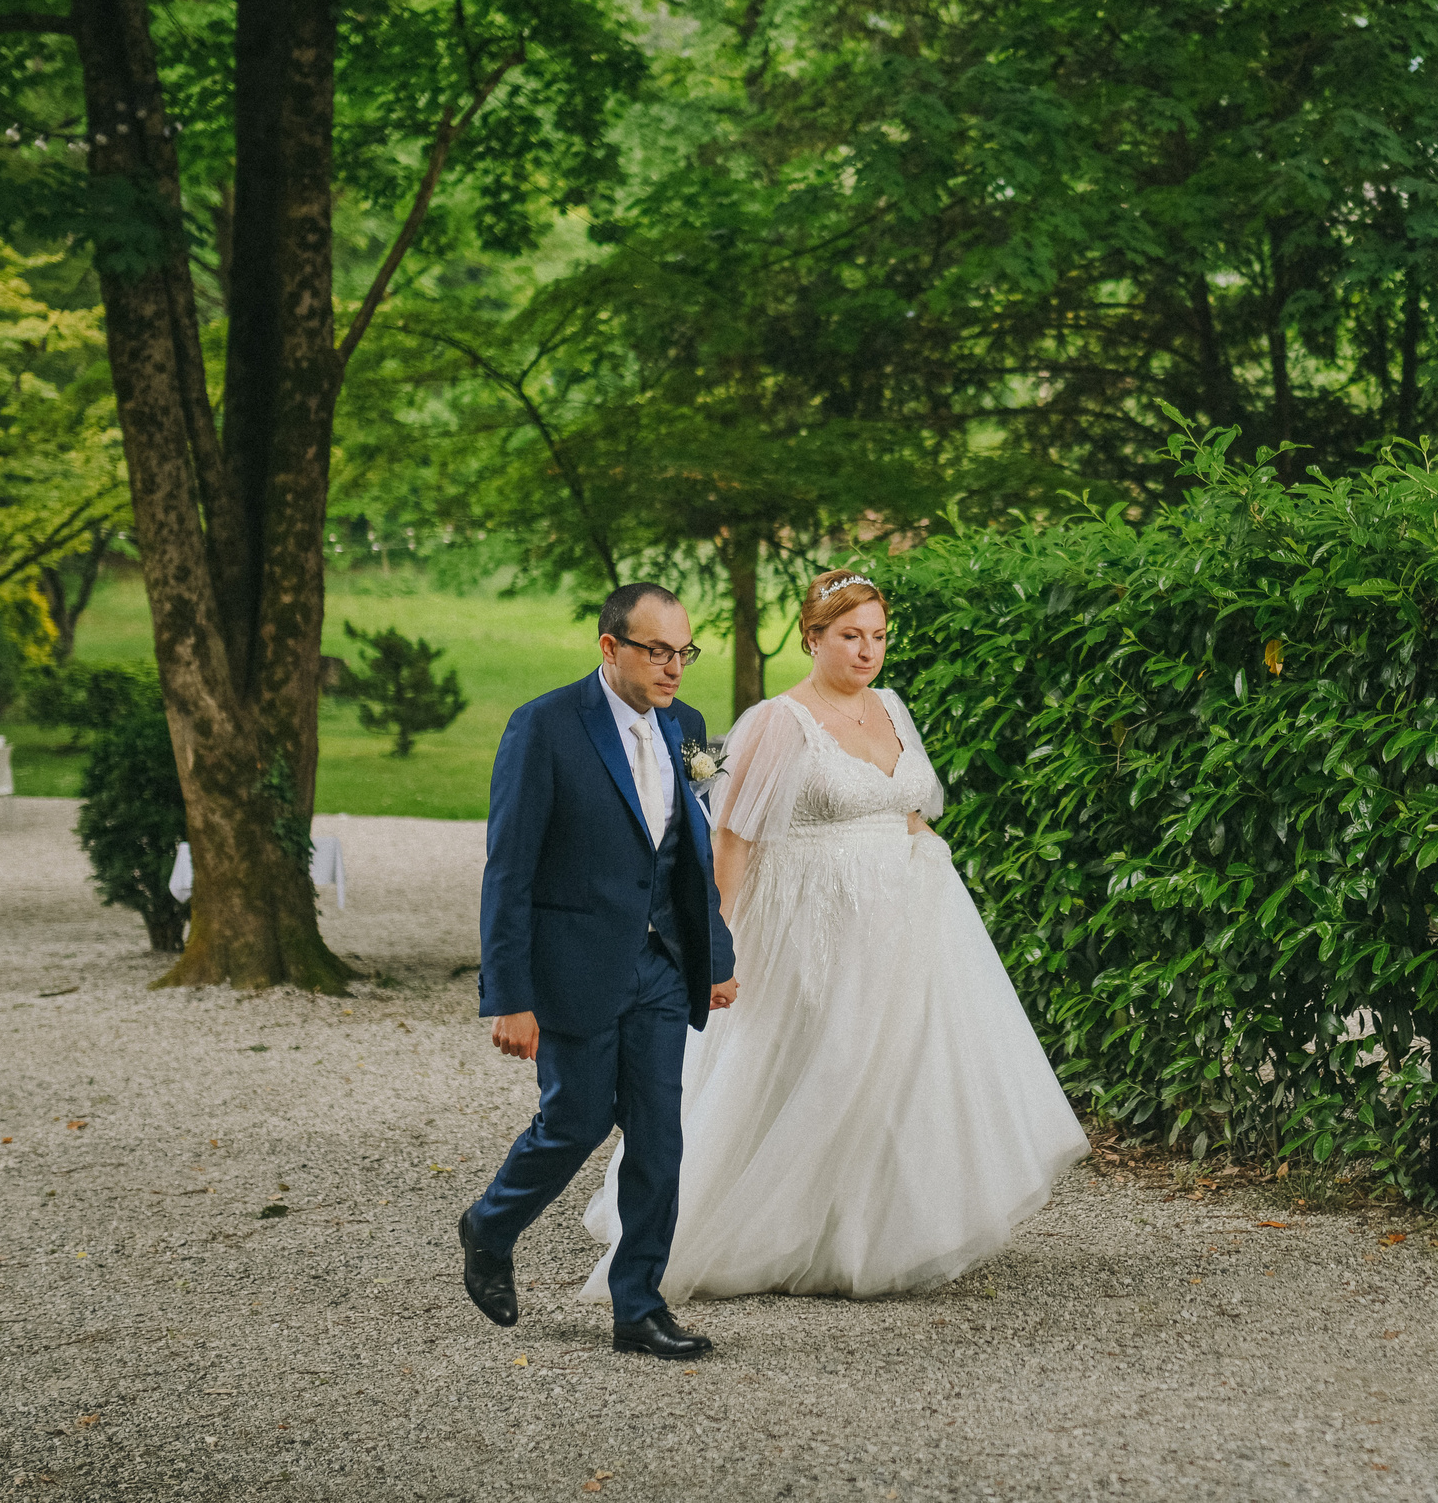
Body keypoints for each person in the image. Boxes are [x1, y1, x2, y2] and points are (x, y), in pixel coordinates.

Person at [579, 569, 1085, 1302]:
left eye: (878, 636)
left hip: (907, 915)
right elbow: (733, 839)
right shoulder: (778, 722)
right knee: (813, 1061)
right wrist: (715, 943)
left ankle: (868, 1228)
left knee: (902, 1068)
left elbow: (911, 809)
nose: (867, 651)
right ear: (813, 637)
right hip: (809, 920)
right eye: (851, 636)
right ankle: (739, 1223)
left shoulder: (891, 707)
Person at [458, 582, 738, 1360]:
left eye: (684, 650)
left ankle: (639, 1307)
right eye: (658, 650)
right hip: (574, 966)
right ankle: (490, 1222)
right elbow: (507, 871)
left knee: (659, 1136)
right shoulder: (544, 727)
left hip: (657, 968)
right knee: (574, 1122)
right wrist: (508, 996)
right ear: (610, 647)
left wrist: (713, 955)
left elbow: (689, 856)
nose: (674, 666)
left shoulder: (686, 727)